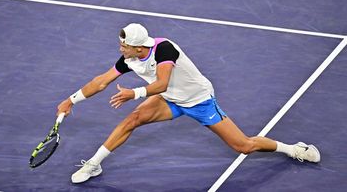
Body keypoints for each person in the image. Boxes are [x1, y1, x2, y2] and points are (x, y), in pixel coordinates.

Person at [57, 23, 321, 184]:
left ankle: (292, 148)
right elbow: (101, 81)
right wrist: (71, 100)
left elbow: (161, 83)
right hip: (170, 100)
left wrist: (134, 94)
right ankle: (94, 163)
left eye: (124, 46)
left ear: (139, 47)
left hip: (199, 101)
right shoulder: (130, 59)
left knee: (243, 146)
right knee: (132, 120)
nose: (120, 49)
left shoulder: (164, 49)